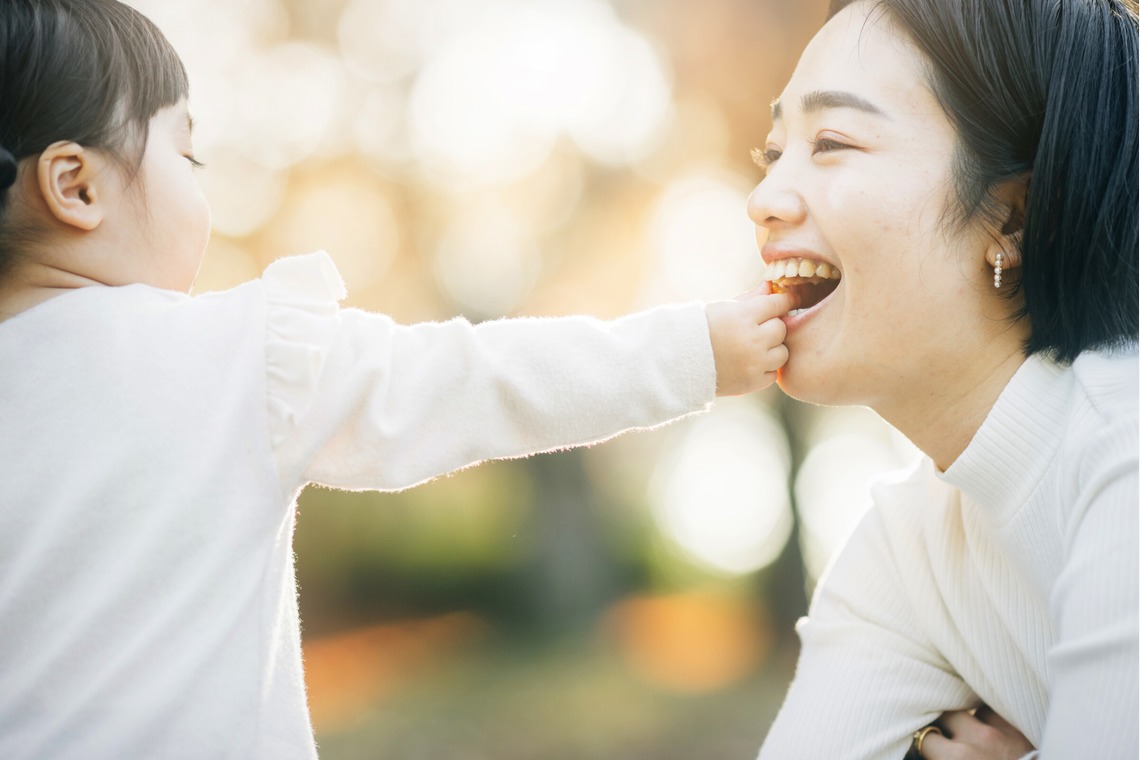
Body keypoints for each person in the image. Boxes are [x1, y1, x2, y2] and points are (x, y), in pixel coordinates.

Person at [0, 1, 797, 757]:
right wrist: (696, 351)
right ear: (77, 187)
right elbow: (475, 383)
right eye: (186, 153)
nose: (202, 187)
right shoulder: (235, 356)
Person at [749, 0, 1138, 758]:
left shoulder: (1126, 454)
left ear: (1015, 218)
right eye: (772, 153)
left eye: (830, 142)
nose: (764, 201)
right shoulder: (908, 544)